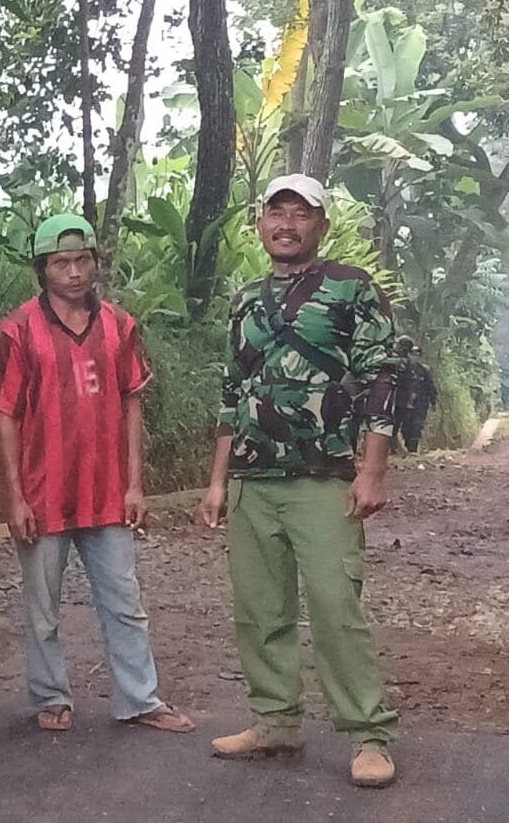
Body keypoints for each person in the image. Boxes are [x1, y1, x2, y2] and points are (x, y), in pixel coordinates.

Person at [198, 174, 400, 789]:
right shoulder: (244, 300)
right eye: (275, 213)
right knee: (260, 611)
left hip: (325, 478)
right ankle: (275, 721)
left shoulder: (351, 289)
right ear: (261, 225)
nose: (286, 224)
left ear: (321, 225)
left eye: (301, 213)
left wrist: (373, 469)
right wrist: (216, 481)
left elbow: (383, 378)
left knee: (336, 607)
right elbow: (233, 394)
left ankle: (369, 734)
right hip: (253, 480)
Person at [0, 213, 194, 736]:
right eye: (61, 263)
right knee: (42, 610)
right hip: (42, 493)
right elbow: (4, 414)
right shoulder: (18, 329)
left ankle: (141, 698)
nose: (73, 272)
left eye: (82, 260)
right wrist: (15, 498)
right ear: (43, 270)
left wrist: (135, 484)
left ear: (96, 263)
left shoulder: (121, 326)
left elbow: (132, 403)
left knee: (125, 602)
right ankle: (51, 696)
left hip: (106, 493)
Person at [393, 336, 436, 453]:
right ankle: (405, 449)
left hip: (420, 404)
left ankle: (412, 451)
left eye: (417, 355)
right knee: (405, 427)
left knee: (416, 427)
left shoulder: (424, 370)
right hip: (404, 403)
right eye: (413, 354)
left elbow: (430, 387)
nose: (415, 357)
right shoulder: (403, 368)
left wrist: (433, 402)